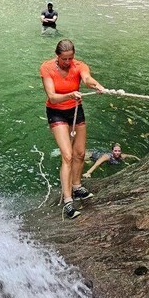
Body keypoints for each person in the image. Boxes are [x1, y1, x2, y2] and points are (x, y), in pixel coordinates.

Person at [40, 39, 105, 219]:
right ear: (57, 56)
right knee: (67, 155)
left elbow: (86, 79)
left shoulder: (79, 65)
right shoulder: (47, 68)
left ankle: (77, 187)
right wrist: (69, 94)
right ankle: (68, 201)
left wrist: (97, 85)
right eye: (64, 60)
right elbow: (52, 97)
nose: (68, 63)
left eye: (70, 59)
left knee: (80, 153)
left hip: (76, 110)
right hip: (57, 112)